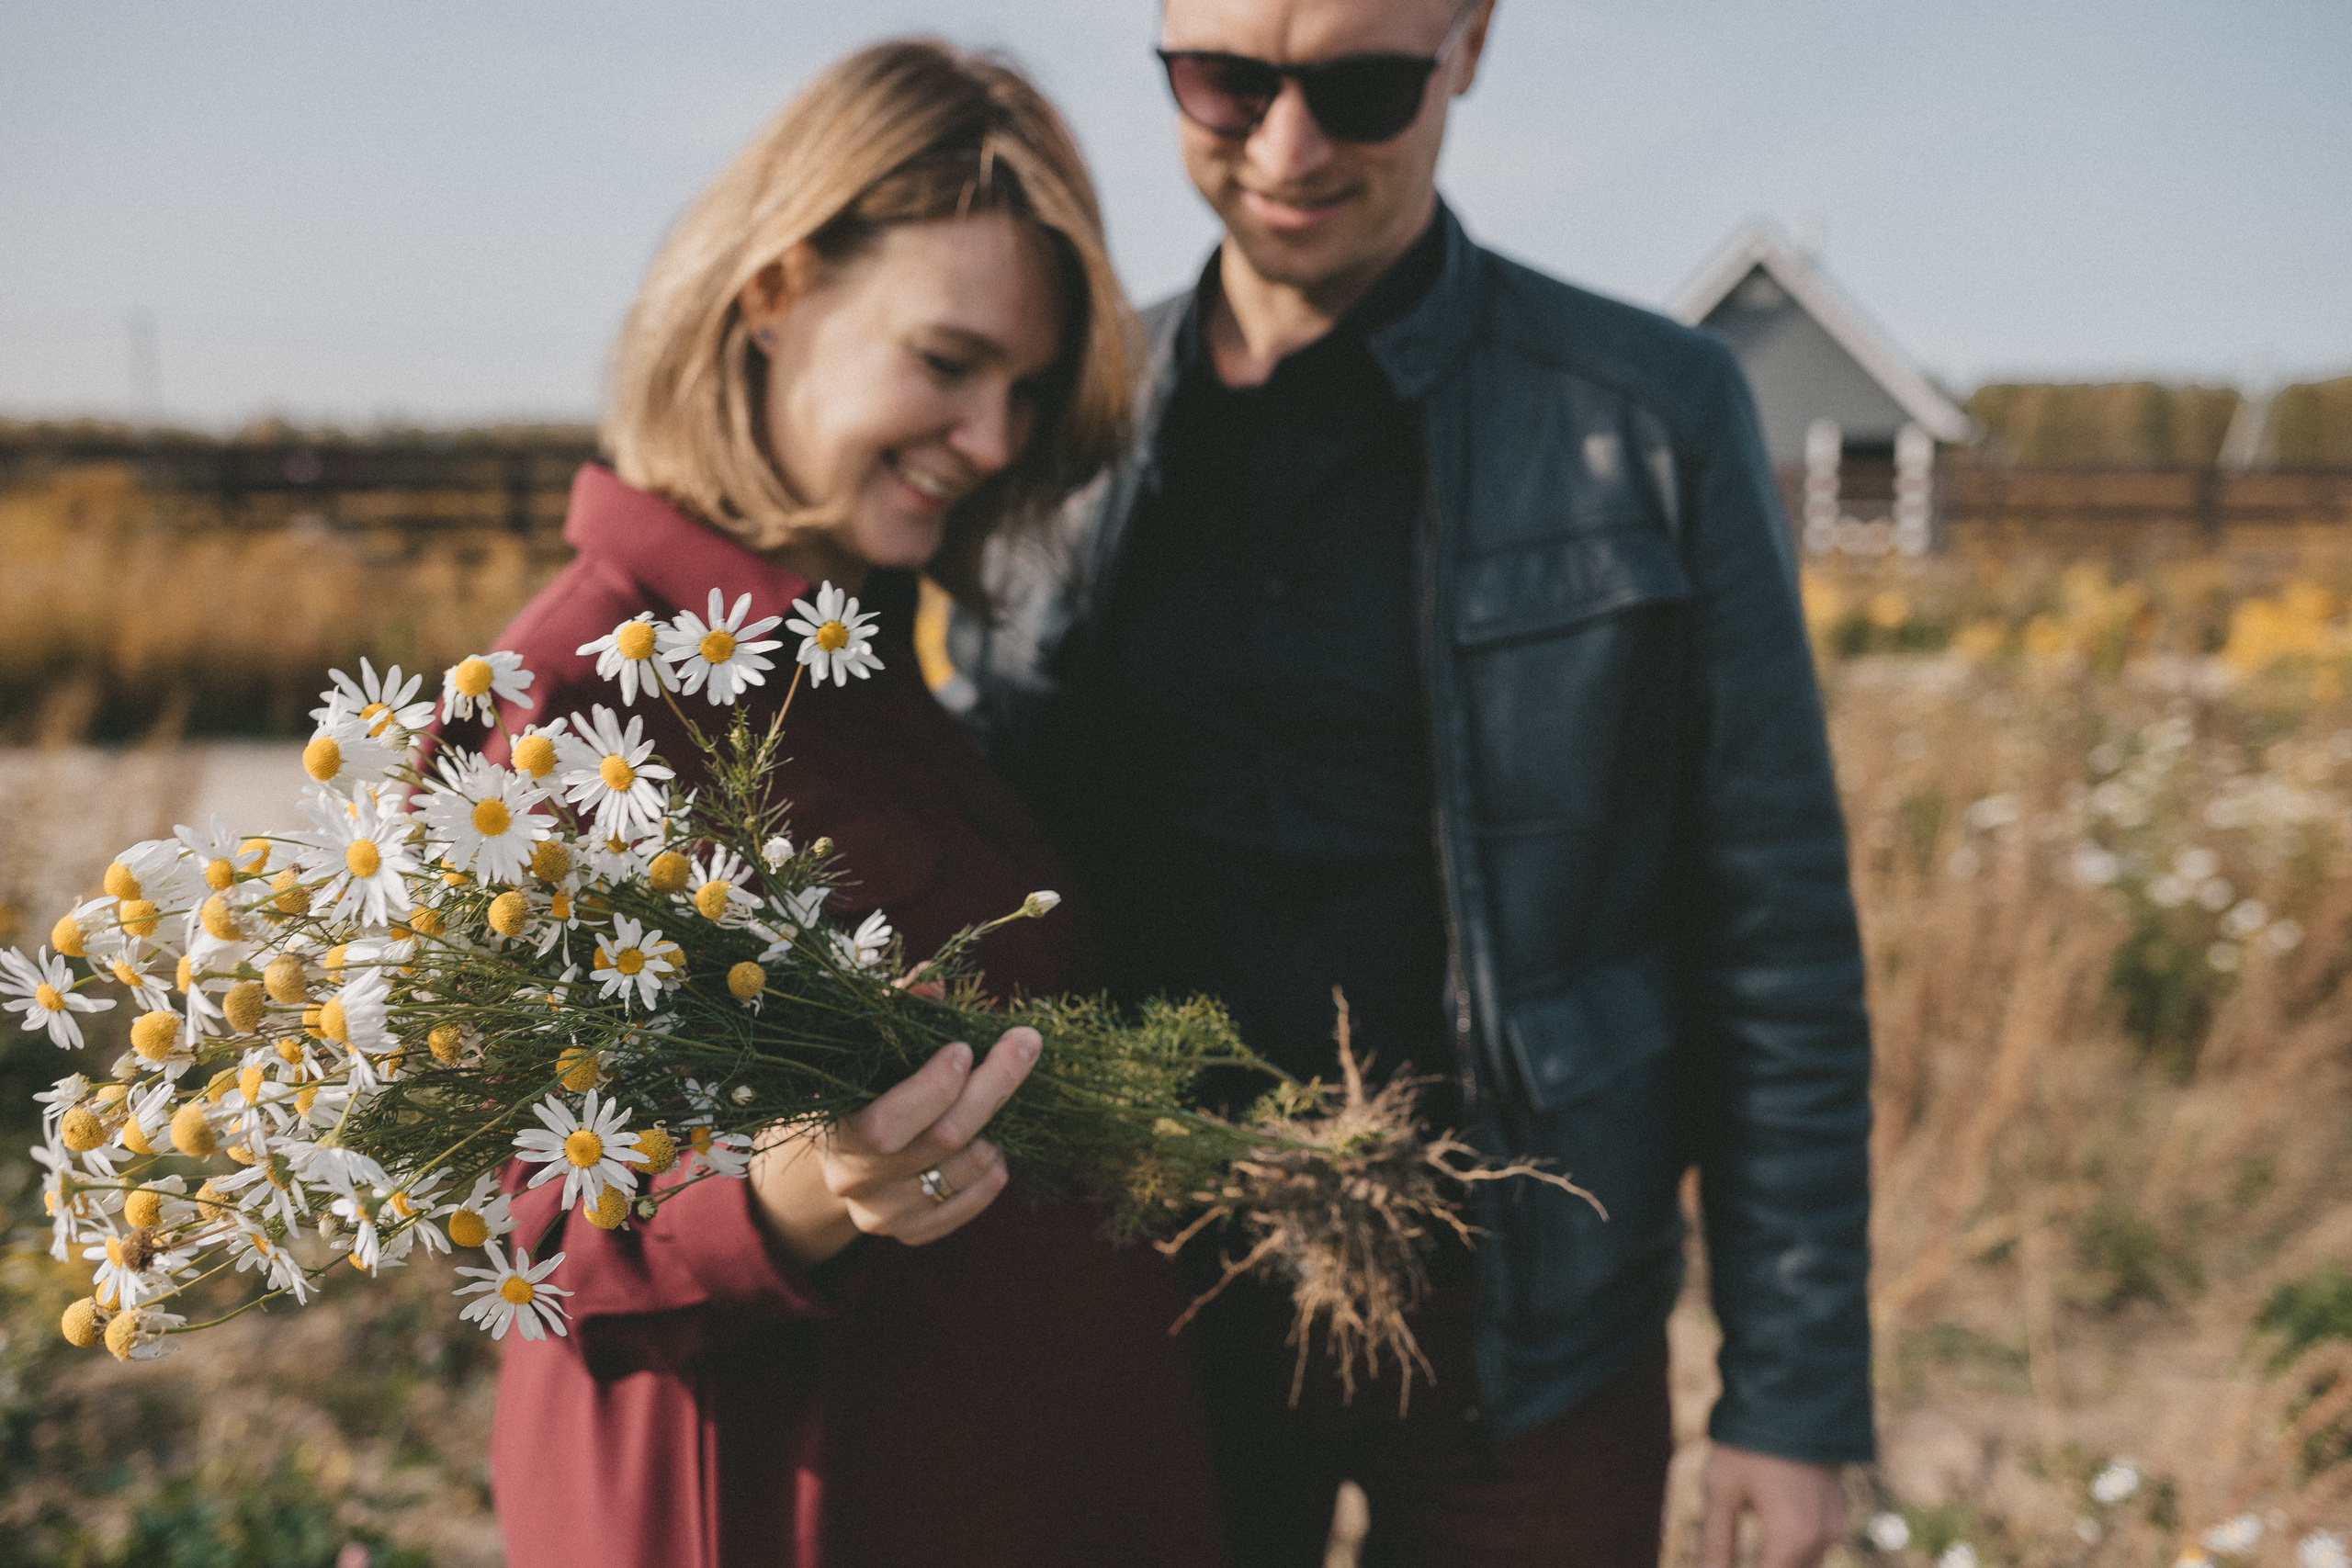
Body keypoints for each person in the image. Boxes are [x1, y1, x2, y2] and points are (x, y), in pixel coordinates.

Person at [946, 2, 1875, 1565]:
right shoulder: (1064, 419)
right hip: (1151, 1304)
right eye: (1228, 82)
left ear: (1471, 44)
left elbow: (1773, 935)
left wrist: (1792, 1395)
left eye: (1365, 87)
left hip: (1529, 1333)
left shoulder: (1652, 417)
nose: (1289, 149)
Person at [464, 40, 1227, 1568]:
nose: (997, 440)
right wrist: (803, 1190)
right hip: (774, 1504)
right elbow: (533, 1231)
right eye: (948, 363)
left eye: (1024, 389)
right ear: (776, 292)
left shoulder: (859, 661)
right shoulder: (575, 708)